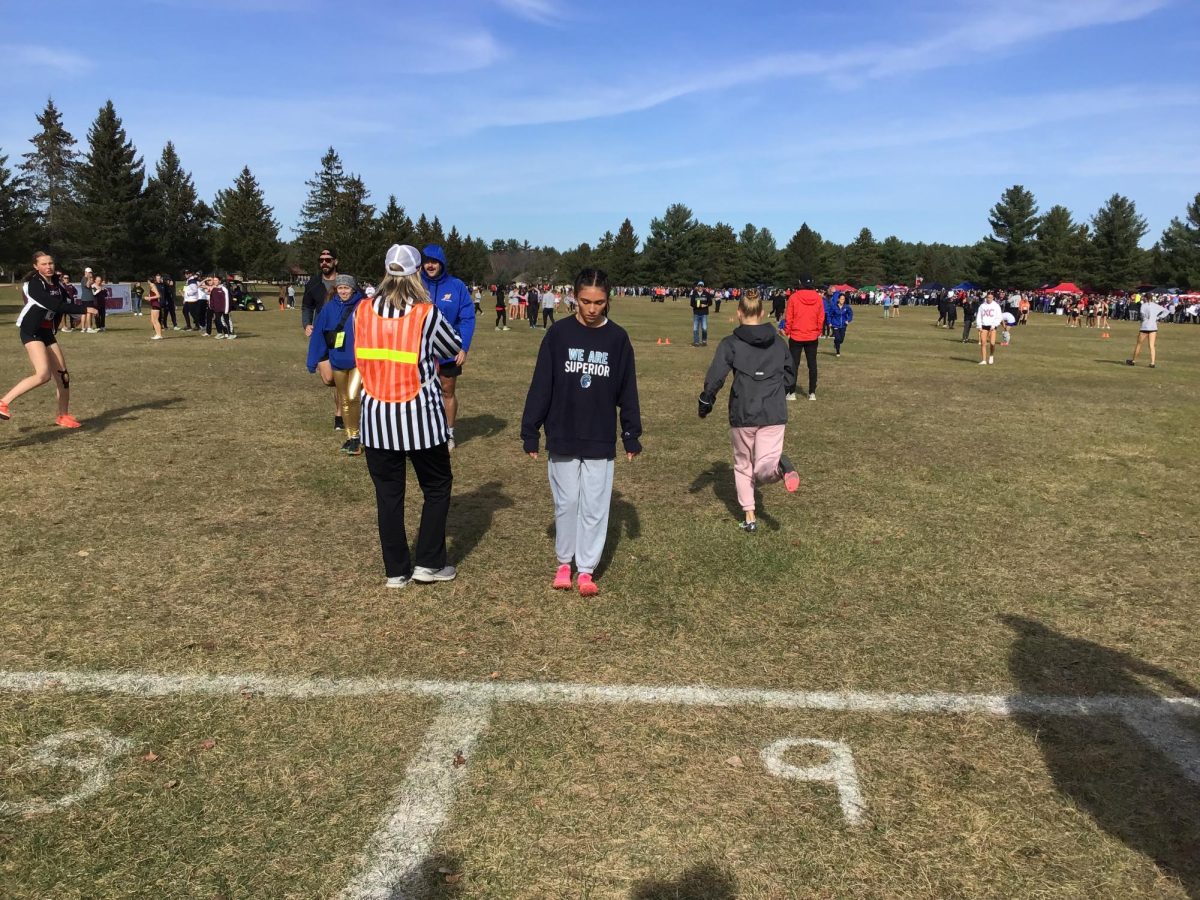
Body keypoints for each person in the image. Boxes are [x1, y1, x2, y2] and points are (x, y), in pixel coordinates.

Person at [521, 267, 642, 598]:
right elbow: (541, 385)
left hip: (600, 436)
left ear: (607, 300)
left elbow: (627, 389)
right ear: (574, 297)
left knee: (594, 505)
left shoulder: (618, 339)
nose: (591, 309)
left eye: (599, 302)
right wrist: (530, 429)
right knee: (568, 500)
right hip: (563, 432)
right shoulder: (558, 335)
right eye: (585, 301)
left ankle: (586, 569)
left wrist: (631, 432)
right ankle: (565, 563)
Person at [356, 244, 463, 588]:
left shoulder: (362, 310)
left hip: (375, 419)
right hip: (420, 419)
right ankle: (429, 563)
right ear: (417, 273)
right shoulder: (425, 313)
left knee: (388, 495)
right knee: (437, 486)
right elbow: (451, 348)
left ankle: (396, 571)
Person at [698, 290, 798, 533]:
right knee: (764, 468)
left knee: (743, 464)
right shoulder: (778, 342)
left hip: (743, 411)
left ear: (739, 313)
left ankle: (750, 515)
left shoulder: (730, 343)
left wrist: (706, 400)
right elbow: (790, 375)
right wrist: (774, 389)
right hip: (774, 411)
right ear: (762, 312)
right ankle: (779, 467)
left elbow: (716, 376)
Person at [0, 251, 99, 427]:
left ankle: (63, 416)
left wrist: (73, 315)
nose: (48, 267)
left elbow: (64, 299)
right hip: (31, 330)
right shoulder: (34, 284)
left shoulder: (55, 283)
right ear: (36, 266)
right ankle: (3, 402)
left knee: (63, 376)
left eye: (51, 263)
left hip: (46, 332)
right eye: (44, 264)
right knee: (43, 375)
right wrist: (83, 310)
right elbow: (53, 304)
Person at [420, 244, 475, 451]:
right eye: (427, 261)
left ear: (442, 263)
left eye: (434, 261)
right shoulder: (416, 284)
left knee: (447, 391)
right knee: (420, 393)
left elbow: (467, 318)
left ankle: (448, 433)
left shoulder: (456, 285)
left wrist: (463, 347)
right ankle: (424, 433)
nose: (430, 265)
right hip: (419, 350)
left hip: (448, 350)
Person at [307, 274, 365, 454]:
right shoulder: (329, 308)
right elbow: (318, 335)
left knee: (354, 397)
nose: (343, 291)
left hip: (358, 361)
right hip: (337, 361)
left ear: (353, 289)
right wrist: (313, 360)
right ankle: (352, 438)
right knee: (345, 400)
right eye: (340, 288)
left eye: (346, 288)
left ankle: (360, 436)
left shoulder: (363, 306)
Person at [303, 247, 342, 429]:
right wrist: (306, 324)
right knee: (329, 379)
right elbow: (307, 306)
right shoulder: (313, 283)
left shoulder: (345, 282)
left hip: (343, 335)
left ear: (335, 261)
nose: (324, 263)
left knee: (341, 377)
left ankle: (340, 417)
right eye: (321, 260)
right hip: (321, 335)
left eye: (328, 259)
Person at [780, 280, 825, 400]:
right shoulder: (818, 298)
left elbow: (789, 316)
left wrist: (787, 330)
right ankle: (812, 393)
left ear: (800, 283)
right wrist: (818, 330)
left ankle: (792, 392)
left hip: (796, 335)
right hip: (811, 335)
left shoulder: (794, 297)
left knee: (793, 364)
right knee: (812, 364)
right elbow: (821, 316)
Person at [1126, 296, 1169, 367]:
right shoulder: (1155, 305)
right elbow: (1166, 311)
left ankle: (1133, 361)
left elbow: (1142, 315)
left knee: (1139, 344)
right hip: (1153, 327)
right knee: (1152, 346)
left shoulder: (1143, 305)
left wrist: (1144, 319)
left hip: (1145, 326)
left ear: (1146, 298)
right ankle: (1152, 363)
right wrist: (1158, 317)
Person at [975, 291, 1003, 364]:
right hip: (984, 326)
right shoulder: (982, 306)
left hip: (992, 326)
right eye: (988, 297)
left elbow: (999, 317)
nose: (989, 299)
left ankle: (991, 355)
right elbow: (979, 316)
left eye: (990, 298)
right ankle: (984, 360)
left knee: (992, 343)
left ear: (993, 298)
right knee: (983, 343)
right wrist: (979, 325)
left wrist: (994, 325)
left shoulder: (996, 306)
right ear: (986, 297)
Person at [827, 291, 854, 357]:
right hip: (835, 324)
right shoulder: (834, 307)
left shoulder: (847, 307)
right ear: (838, 299)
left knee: (841, 339)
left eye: (843, 299)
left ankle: (836, 343)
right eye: (841, 299)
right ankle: (838, 351)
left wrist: (848, 320)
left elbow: (850, 314)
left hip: (843, 325)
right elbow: (829, 315)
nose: (842, 300)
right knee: (837, 338)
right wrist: (829, 322)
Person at [690, 281, 711, 346]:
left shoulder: (707, 294)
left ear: (703, 287)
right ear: (697, 286)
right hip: (696, 313)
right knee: (695, 328)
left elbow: (710, 303)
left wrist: (705, 305)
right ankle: (696, 342)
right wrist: (697, 306)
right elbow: (691, 303)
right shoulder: (694, 294)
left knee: (704, 328)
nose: (700, 287)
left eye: (701, 286)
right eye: (699, 286)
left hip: (704, 313)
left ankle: (704, 341)